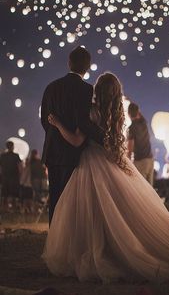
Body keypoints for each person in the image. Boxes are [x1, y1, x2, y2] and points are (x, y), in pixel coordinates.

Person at [43, 73, 169, 283]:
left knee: (93, 211)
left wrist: (57, 124)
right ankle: (113, 248)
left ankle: (101, 249)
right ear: (117, 94)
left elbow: (75, 140)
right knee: (119, 211)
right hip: (112, 163)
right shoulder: (118, 117)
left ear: (96, 91)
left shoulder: (90, 114)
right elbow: (120, 145)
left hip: (90, 163)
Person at [41, 46, 102, 224]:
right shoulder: (86, 89)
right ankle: (67, 239)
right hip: (72, 153)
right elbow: (83, 121)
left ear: (69, 62)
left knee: (55, 197)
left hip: (52, 150)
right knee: (71, 201)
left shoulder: (51, 87)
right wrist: (100, 138)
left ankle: (54, 240)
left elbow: (45, 120)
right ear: (88, 67)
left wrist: (55, 133)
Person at [127, 103, 154, 186]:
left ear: (128, 114)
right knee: (150, 189)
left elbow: (130, 147)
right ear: (138, 112)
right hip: (150, 159)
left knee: (141, 188)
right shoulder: (144, 123)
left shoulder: (131, 128)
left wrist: (127, 160)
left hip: (140, 161)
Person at [0, 141, 22, 212]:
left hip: (5, 177)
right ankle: (14, 209)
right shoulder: (16, 155)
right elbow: (20, 167)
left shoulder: (2, 156)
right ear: (12, 147)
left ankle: (4, 209)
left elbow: (0, 168)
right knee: (14, 194)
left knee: (5, 195)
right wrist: (20, 175)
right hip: (14, 177)